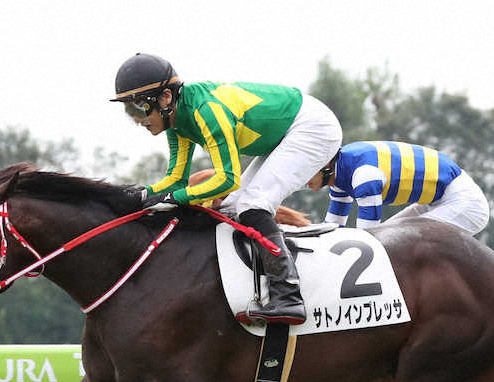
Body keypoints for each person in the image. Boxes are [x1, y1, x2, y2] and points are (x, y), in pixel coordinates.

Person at [111, 53, 342, 325]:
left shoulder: (206, 111)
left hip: (311, 127)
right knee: (232, 208)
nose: (137, 120)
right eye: (129, 111)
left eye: (139, 108)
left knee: (253, 205)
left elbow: (227, 180)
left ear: (165, 98)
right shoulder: (176, 121)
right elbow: (175, 179)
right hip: (286, 131)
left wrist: (175, 198)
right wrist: (139, 196)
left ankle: (288, 296)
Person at [307, 141, 490, 234]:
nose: (304, 180)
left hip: (465, 203)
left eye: (306, 170)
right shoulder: (339, 177)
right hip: (435, 201)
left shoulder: (363, 176)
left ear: (326, 165)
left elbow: (367, 237)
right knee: (390, 236)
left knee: (397, 242)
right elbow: (332, 228)